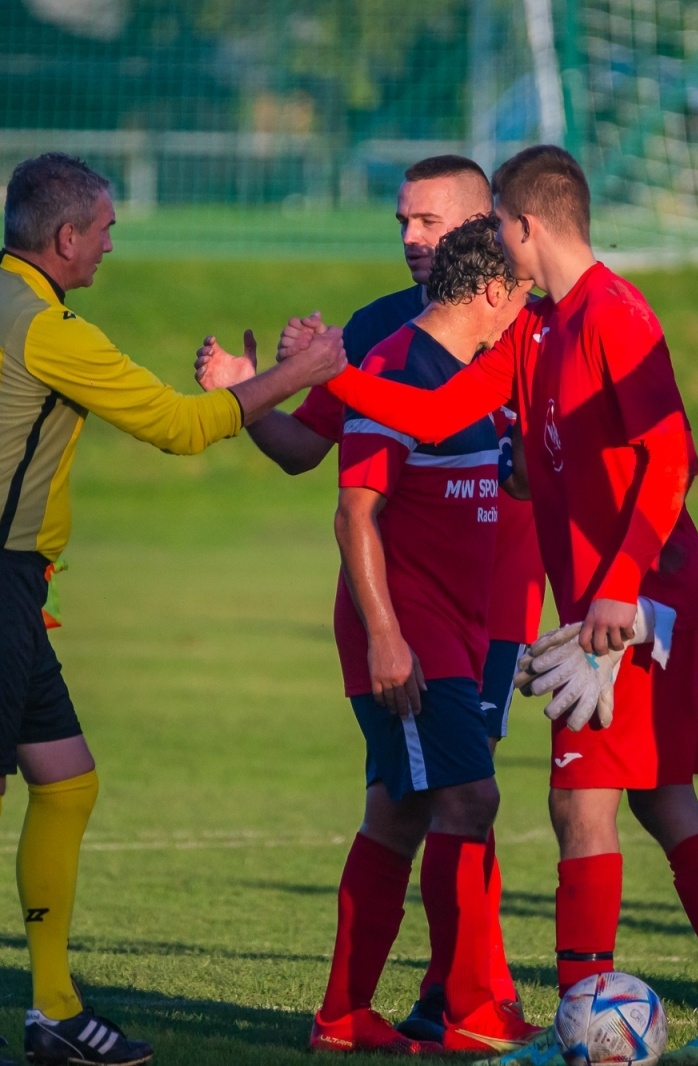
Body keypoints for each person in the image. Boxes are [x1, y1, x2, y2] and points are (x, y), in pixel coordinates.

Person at [274, 145, 698, 1065]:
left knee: (582, 804)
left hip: (646, 596)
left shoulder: (615, 313)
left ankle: (587, 1026)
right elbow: (431, 417)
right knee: (655, 800)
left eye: (492, 228)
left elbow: (675, 458)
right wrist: (318, 376)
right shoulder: (538, 328)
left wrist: (620, 590)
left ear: (522, 226)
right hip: (611, 598)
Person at [0, 153, 344, 1066]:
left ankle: (53, 1010)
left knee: (68, 780)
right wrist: (303, 374)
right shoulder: (44, 328)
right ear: (65, 238)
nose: (109, 242)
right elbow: (178, 426)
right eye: (105, 228)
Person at [196, 154, 546, 1043]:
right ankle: (471, 1003)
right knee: (460, 796)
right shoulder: (390, 335)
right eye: (402, 222)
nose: (410, 238)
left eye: (428, 222)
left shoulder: (514, 327)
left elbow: (441, 421)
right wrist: (262, 387)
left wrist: (318, 373)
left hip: (495, 605)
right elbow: (334, 476)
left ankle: (397, 1005)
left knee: (426, 799)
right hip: (415, 615)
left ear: (484, 225)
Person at [305, 216, 539, 1055]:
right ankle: (467, 1011)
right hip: (410, 633)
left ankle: (343, 1017)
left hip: (459, 630)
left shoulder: (468, 375)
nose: (526, 305)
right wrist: (385, 638)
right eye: (520, 290)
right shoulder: (397, 365)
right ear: (488, 291)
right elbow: (354, 515)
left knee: (399, 814)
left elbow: (489, 461)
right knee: (470, 799)